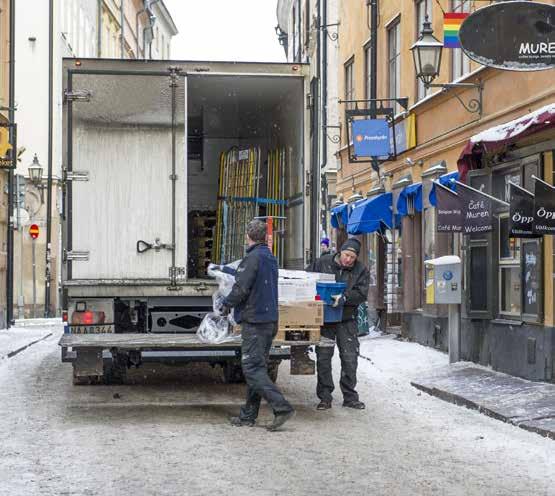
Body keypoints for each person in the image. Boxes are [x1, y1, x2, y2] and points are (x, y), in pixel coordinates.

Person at [221, 219, 295, 431]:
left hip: (255, 322)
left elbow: (241, 287)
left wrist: (226, 304)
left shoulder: (252, 258)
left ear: (249, 236)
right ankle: (248, 416)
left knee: (252, 369)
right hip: (269, 320)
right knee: (258, 368)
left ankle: (282, 407)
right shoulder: (269, 257)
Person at [308, 238, 369, 411]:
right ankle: (325, 397)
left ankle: (350, 396)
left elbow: (362, 293)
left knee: (350, 358)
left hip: (347, 319)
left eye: (352, 257)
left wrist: (345, 298)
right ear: (340, 251)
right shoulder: (323, 262)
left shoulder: (361, 270)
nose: (348, 259)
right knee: (324, 358)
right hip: (325, 320)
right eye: (346, 255)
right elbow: (308, 279)